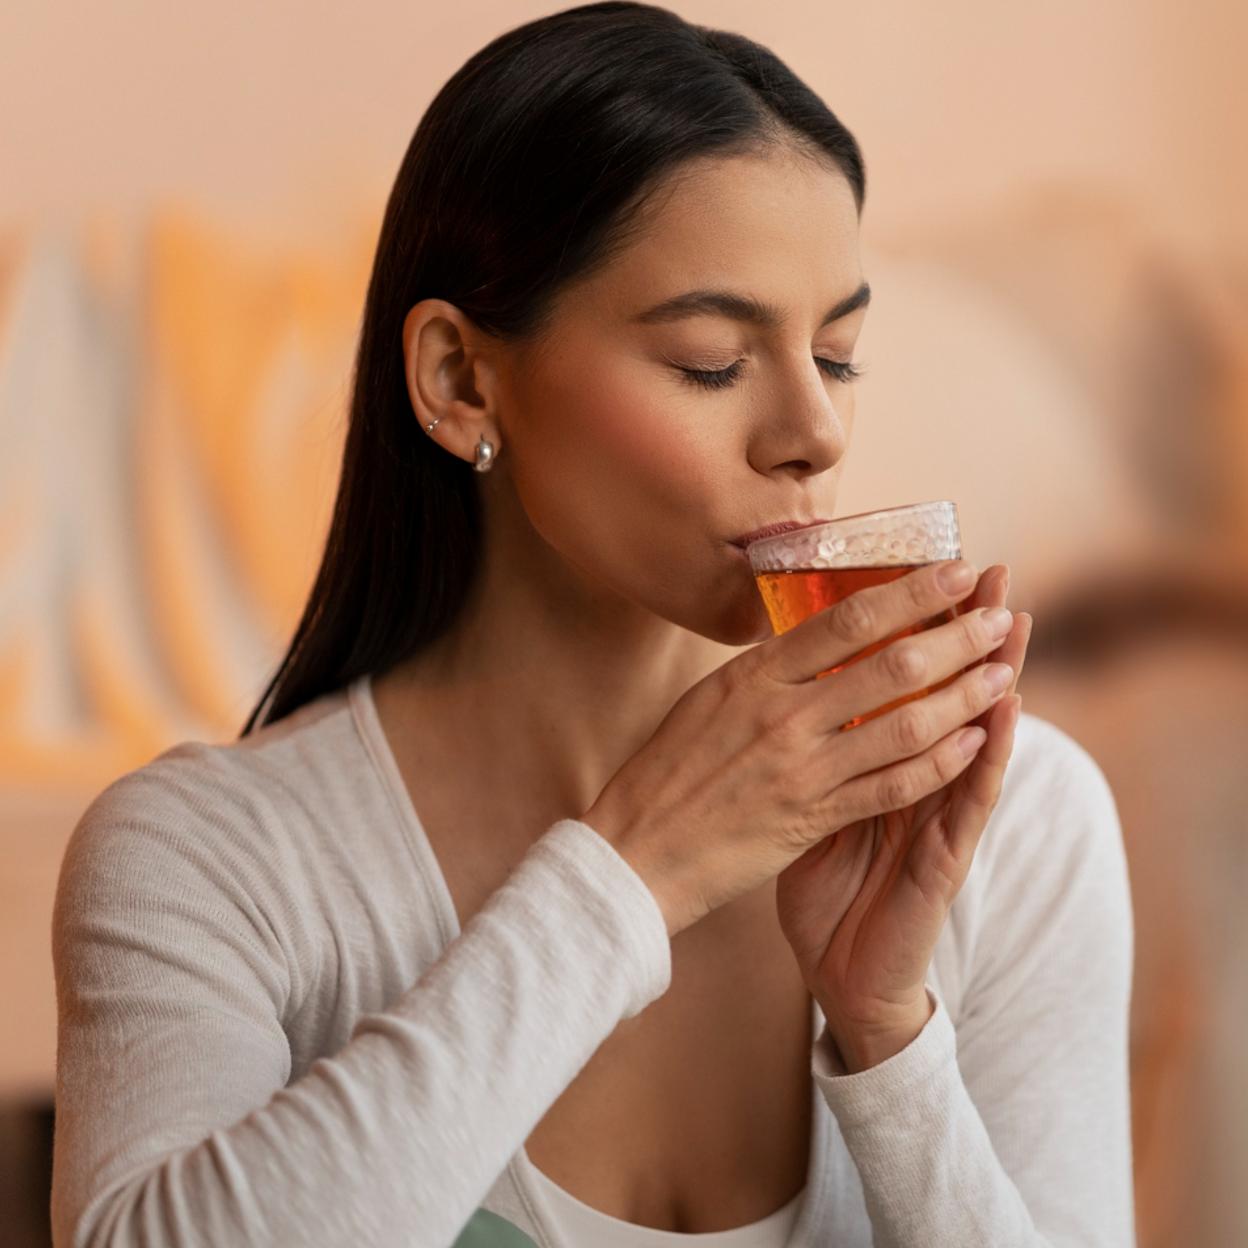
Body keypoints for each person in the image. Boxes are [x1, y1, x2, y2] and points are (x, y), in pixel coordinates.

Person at [49, 4, 1135, 1246]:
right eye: (714, 362)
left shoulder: (1014, 825)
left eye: (835, 357)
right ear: (460, 380)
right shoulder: (209, 863)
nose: (815, 435)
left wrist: (892, 1040)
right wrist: (629, 877)